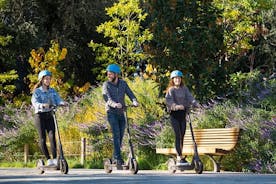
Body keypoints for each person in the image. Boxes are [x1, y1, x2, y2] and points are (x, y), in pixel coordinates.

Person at [102, 64, 139, 165]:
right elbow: (107, 98)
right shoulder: (106, 85)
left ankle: (115, 156)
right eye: (108, 74)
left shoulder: (123, 83)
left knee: (121, 135)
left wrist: (134, 101)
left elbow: (130, 94)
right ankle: (118, 158)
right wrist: (114, 104)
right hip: (111, 112)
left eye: (110, 74)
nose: (108, 75)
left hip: (121, 112)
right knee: (116, 134)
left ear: (116, 74)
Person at [165, 70, 200, 166]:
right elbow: (169, 101)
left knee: (183, 135)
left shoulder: (184, 89)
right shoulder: (171, 90)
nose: (177, 80)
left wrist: (195, 103)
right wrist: (176, 106)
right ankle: (179, 156)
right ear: (172, 80)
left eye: (179, 78)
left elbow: (190, 97)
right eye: (175, 78)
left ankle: (180, 155)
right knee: (178, 135)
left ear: (181, 79)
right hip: (174, 115)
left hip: (183, 114)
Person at [31, 70, 66, 166]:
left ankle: (55, 158)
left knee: (52, 136)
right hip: (40, 116)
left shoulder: (52, 91)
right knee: (42, 138)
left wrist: (62, 103)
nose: (48, 80)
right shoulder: (37, 92)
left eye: (49, 79)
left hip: (50, 115)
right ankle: (48, 159)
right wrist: (43, 105)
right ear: (41, 80)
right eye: (46, 79)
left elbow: (58, 99)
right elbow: (35, 102)